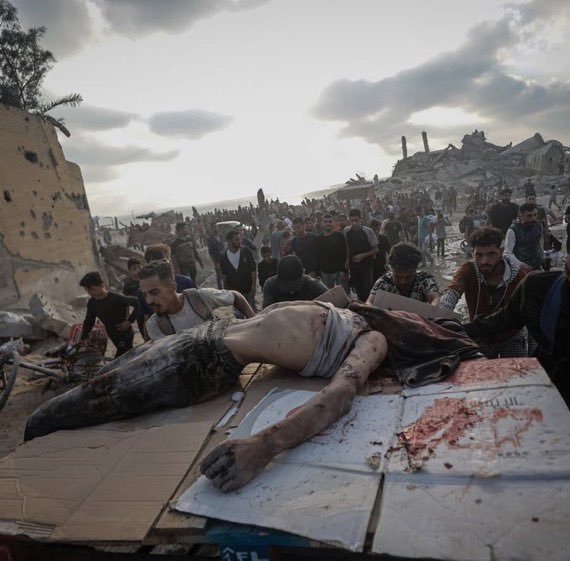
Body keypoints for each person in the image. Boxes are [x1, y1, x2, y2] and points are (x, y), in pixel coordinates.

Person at [464, 255, 570, 404]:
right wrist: (453, 328)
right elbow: (502, 320)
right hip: (547, 388)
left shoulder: (523, 273)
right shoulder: (536, 288)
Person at [439, 227, 530, 358]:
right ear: (473, 253)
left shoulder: (520, 275)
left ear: (501, 251)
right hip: (479, 337)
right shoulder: (469, 270)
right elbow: (451, 293)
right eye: (479, 255)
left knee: (520, 368)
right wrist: (441, 315)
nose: (485, 261)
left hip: (511, 336)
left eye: (491, 254)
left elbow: (531, 314)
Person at [139, 261, 255, 340]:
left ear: (172, 288)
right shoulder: (154, 325)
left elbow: (235, 296)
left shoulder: (199, 297)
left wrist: (253, 321)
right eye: (144, 295)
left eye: (154, 293)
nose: (149, 301)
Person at [79, 271, 139, 357]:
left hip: (125, 334)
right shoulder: (92, 303)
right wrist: (85, 336)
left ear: (101, 285)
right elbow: (89, 320)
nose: (89, 292)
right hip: (112, 335)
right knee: (129, 355)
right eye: (87, 290)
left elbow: (138, 303)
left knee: (122, 356)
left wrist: (129, 321)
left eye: (91, 289)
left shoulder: (116, 297)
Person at [367, 242, 440, 305]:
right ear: (391, 269)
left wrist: (433, 307)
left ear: (416, 269)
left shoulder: (424, 279)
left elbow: (435, 299)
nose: (403, 281)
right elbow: (369, 303)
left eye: (408, 277)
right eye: (397, 276)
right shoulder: (384, 281)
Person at [262, 255, 327, 308]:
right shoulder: (270, 285)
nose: (291, 291)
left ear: (303, 273)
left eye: (295, 285)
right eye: (286, 285)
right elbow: (265, 312)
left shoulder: (312, 284)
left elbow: (330, 298)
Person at [344, 208, 379, 301]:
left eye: (356, 220)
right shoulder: (346, 231)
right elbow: (348, 246)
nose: (354, 223)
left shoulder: (368, 231)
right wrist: (347, 260)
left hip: (366, 265)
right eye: (352, 221)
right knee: (358, 288)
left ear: (361, 219)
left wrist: (363, 255)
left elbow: (376, 249)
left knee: (368, 289)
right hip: (353, 265)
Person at [220, 229, 257, 312]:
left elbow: (253, 270)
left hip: (248, 290)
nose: (240, 242)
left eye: (240, 239)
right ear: (230, 241)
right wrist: (226, 290)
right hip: (235, 292)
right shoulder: (223, 256)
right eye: (237, 240)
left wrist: (253, 286)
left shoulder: (246, 252)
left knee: (251, 312)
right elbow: (224, 274)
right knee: (238, 315)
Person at [504, 202, 544, 270]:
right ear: (521, 216)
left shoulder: (538, 225)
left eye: (535, 215)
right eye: (529, 216)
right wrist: (521, 265)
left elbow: (540, 242)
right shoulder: (513, 230)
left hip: (537, 266)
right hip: (520, 269)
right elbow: (507, 254)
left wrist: (542, 256)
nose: (533, 218)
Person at [317, 213, 348, 291]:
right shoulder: (318, 238)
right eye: (325, 221)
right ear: (322, 223)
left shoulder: (339, 236)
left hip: (339, 271)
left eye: (330, 221)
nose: (328, 223)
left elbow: (344, 253)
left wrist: (343, 270)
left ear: (333, 223)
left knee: (344, 295)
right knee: (329, 295)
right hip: (325, 272)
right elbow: (318, 256)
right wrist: (320, 272)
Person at [122, 257, 144, 335]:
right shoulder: (128, 284)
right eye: (134, 269)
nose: (137, 270)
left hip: (149, 307)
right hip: (139, 312)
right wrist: (127, 314)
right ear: (129, 270)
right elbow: (125, 300)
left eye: (139, 267)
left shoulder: (145, 279)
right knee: (143, 330)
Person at [206, 224, 224, 289]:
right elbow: (211, 252)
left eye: (216, 227)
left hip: (224, 258)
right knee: (219, 276)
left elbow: (223, 246)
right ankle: (220, 290)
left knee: (225, 274)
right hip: (217, 260)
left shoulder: (221, 236)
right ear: (211, 229)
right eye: (214, 227)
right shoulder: (210, 239)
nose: (216, 228)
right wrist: (215, 263)